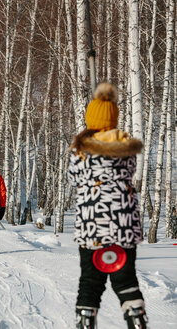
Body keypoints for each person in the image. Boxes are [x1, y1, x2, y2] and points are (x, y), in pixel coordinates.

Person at [67, 83, 147, 329]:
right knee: (125, 279)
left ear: (90, 119)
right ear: (114, 118)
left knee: (91, 281)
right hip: (124, 226)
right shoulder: (126, 148)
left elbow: (74, 178)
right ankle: (136, 319)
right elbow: (129, 173)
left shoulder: (81, 150)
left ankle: (85, 321)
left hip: (93, 227)